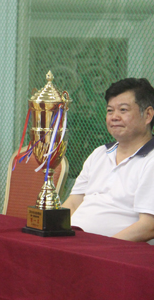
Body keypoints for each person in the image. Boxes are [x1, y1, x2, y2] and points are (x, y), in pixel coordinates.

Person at [62, 78, 154, 244]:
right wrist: (52, 232)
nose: (114, 117)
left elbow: (149, 225)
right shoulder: (100, 153)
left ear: (148, 115)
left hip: (113, 252)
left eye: (123, 110)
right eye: (110, 111)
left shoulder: (151, 160)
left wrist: (103, 247)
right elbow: (74, 203)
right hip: (75, 244)